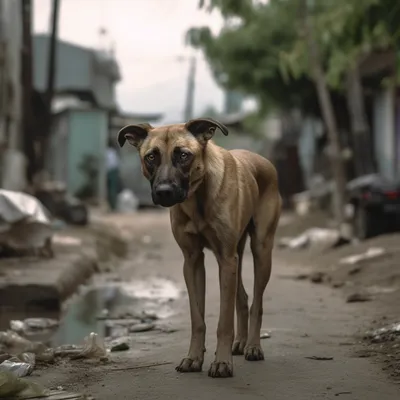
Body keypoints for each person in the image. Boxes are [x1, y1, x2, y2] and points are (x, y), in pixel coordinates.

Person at [106, 138, 120, 211]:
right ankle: (113, 206)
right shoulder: (113, 152)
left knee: (111, 190)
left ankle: (113, 206)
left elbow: (109, 164)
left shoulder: (108, 152)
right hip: (114, 171)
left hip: (110, 171)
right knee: (112, 189)